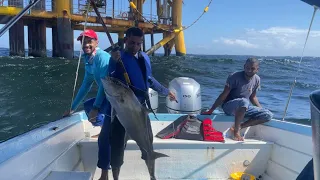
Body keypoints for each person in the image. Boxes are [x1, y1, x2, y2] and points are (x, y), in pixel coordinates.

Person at [97, 27, 177, 180]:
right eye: (132, 43)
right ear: (125, 40)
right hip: (122, 110)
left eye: (138, 44)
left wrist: (166, 91)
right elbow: (110, 76)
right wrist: (114, 61)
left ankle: (152, 176)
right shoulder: (118, 58)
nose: (135, 46)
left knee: (148, 146)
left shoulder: (144, 58)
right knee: (117, 147)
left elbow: (149, 79)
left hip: (141, 109)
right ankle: (115, 178)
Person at [202, 57, 273, 141]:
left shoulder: (257, 79)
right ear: (244, 67)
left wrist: (260, 109)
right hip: (229, 107)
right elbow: (223, 95)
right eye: (247, 68)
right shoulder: (234, 76)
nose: (249, 70)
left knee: (268, 114)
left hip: (244, 107)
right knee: (244, 101)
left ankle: (240, 126)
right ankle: (236, 132)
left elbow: (253, 97)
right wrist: (211, 110)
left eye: (252, 68)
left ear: (257, 69)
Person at [63, 29, 111, 132]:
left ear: (97, 42)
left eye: (89, 41)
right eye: (83, 42)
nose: (86, 44)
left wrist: (96, 107)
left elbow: (104, 84)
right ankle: (104, 131)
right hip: (108, 97)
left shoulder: (102, 57)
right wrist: (72, 108)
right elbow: (85, 86)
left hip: (116, 98)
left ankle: (108, 133)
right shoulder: (88, 60)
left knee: (92, 108)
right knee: (88, 105)